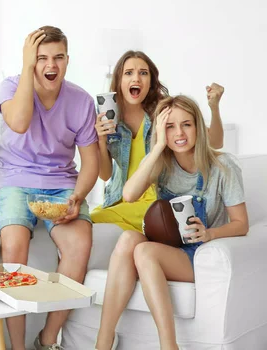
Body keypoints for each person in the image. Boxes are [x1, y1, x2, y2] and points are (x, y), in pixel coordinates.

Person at [94, 95, 248, 350]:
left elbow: (241, 224)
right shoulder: (162, 164)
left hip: (199, 253)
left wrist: (209, 234)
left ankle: (169, 345)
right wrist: (156, 148)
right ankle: (103, 340)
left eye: (186, 124)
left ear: (198, 126)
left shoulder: (223, 166)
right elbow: (129, 195)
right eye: (170, 126)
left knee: (143, 249)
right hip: (166, 247)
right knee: (128, 238)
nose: (179, 133)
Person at [0, 26, 100, 350]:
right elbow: (20, 122)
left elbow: (91, 163)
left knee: (79, 245)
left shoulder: (81, 100)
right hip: (14, 179)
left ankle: (48, 337)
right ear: (30, 61)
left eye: (57, 57)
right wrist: (27, 69)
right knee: (13, 247)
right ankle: (17, 346)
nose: (50, 65)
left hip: (61, 184)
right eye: (41, 58)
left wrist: (77, 197)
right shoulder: (10, 87)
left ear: (67, 60)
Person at [91, 50, 225, 232]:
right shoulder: (110, 118)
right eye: (128, 73)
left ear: (151, 82)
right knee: (86, 220)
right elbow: (105, 175)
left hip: (155, 200)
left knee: (92, 220)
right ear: (119, 81)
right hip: (120, 199)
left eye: (143, 73)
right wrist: (100, 139)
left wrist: (214, 108)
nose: (136, 79)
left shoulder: (163, 112)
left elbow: (215, 143)